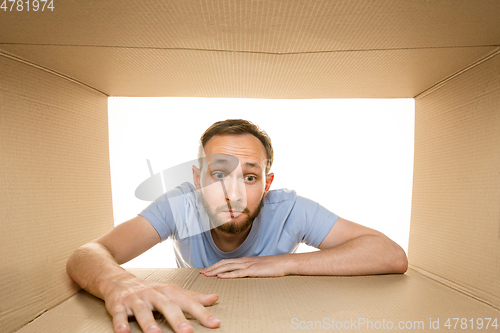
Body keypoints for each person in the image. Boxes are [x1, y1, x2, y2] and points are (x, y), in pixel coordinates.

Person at [66, 119, 408, 333]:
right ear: (197, 179)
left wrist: (284, 262)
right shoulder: (180, 205)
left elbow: (390, 255)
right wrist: (120, 284)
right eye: (218, 174)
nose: (233, 193)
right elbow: (88, 253)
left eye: (249, 176)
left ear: (267, 183)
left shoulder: (289, 209)